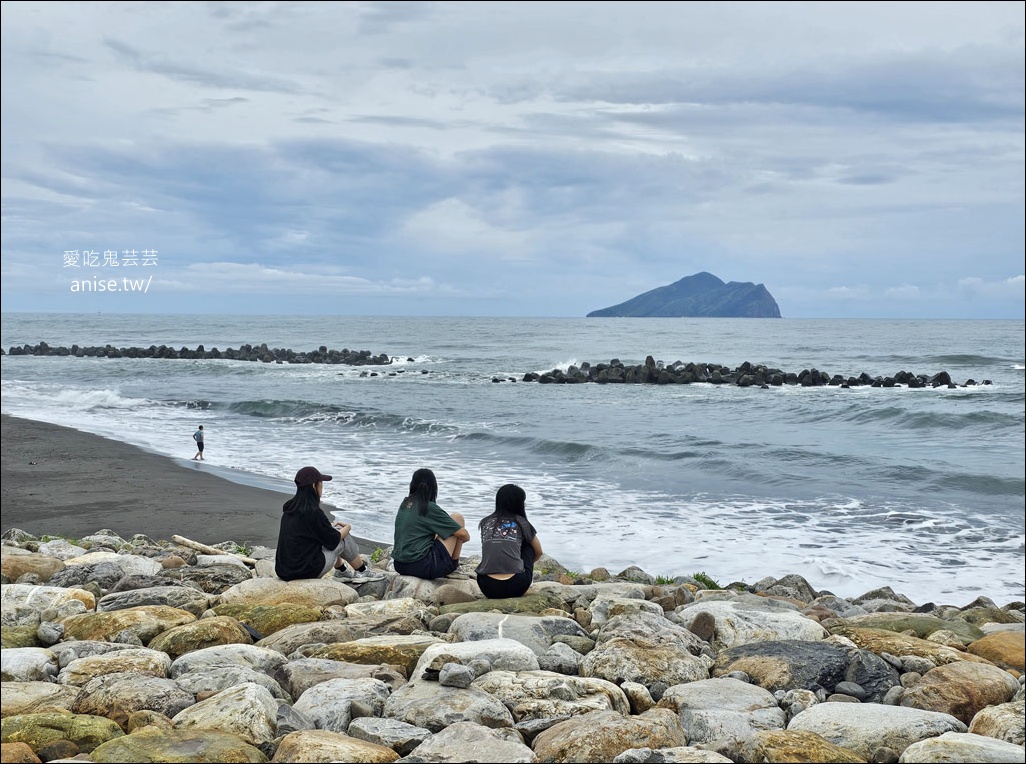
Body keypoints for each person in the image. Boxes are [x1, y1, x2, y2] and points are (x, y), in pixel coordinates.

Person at [274, 466, 381, 582]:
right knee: (341, 535)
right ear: (314, 486)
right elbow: (333, 541)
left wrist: (329, 527)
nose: (322, 487)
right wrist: (348, 528)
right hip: (304, 571)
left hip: (283, 570)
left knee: (333, 529)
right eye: (321, 484)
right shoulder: (313, 512)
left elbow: (309, 532)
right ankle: (362, 571)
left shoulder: (290, 508)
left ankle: (342, 572)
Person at [392, 467, 470, 579]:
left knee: (439, 531)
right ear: (434, 487)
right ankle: (453, 566)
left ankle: (451, 565)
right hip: (422, 566)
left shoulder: (405, 503)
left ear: (412, 484)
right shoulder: (429, 507)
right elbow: (463, 535)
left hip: (400, 565)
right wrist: (463, 538)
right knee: (457, 518)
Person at [475, 483, 543, 598]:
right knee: (528, 546)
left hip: (487, 586)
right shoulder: (521, 522)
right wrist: (525, 565)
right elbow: (539, 551)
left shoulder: (485, 522)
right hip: (516, 585)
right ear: (519, 504)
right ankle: (523, 576)